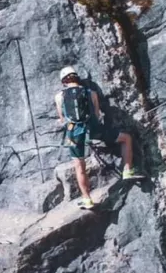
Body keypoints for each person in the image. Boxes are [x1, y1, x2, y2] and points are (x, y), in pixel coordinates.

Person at [54, 66, 136, 209]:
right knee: (126, 138)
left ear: (63, 81)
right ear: (76, 77)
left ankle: (87, 199)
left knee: (79, 165)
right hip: (93, 130)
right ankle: (127, 170)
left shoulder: (59, 96)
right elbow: (97, 115)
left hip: (73, 134)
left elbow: (62, 119)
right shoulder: (91, 92)